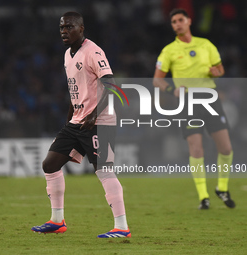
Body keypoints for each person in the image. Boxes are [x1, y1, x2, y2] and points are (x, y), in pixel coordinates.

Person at [31, 12, 131, 238]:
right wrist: (70, 118)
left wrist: (94, 116)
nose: (64, 31)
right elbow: (76, 91)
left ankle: (122, 226)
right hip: (77, 122)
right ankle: (57, 221)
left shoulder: (93, 52)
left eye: (69, 27)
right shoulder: (67, 55)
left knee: (104, 171)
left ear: (81, 28)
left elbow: (112, 87)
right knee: (50, 164)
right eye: (61, 28)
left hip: (99, 122)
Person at [153, 8, 235, 209]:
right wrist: (172, 89)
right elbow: (157, 80)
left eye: (180, 20)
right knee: (196, 148)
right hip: (188, 102)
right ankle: (203, 196)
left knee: (225, 147)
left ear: (189, 21)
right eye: (173, 22)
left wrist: (217, 72)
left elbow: (220, 69)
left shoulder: (206, 45)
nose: (177, 24)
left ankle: (222, 188)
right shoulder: (169, 50)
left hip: (210, 99)